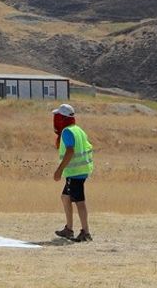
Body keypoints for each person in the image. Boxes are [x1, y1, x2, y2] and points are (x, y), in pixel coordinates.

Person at [51, 103, 94, 242]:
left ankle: (85, 232)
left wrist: (59, 170)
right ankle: (68, 229)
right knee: (65, 197)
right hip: (81, 170)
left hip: (75, 172)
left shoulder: (67, 132)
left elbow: (70, 151)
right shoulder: (78, 130)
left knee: (79, 201)